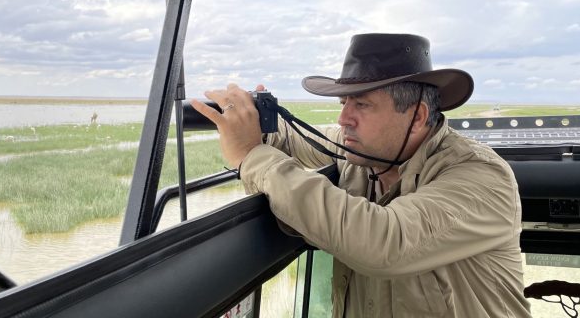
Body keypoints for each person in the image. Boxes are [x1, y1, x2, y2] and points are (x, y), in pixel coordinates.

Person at [191, 33, 531, 318]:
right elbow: (294, 139)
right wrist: (251, 121)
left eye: (362, 105)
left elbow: (386, 242)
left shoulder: (481, 177)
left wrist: (252, 156)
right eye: (344, 103)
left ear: (417, 117)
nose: (344, 119)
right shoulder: (366, 152)